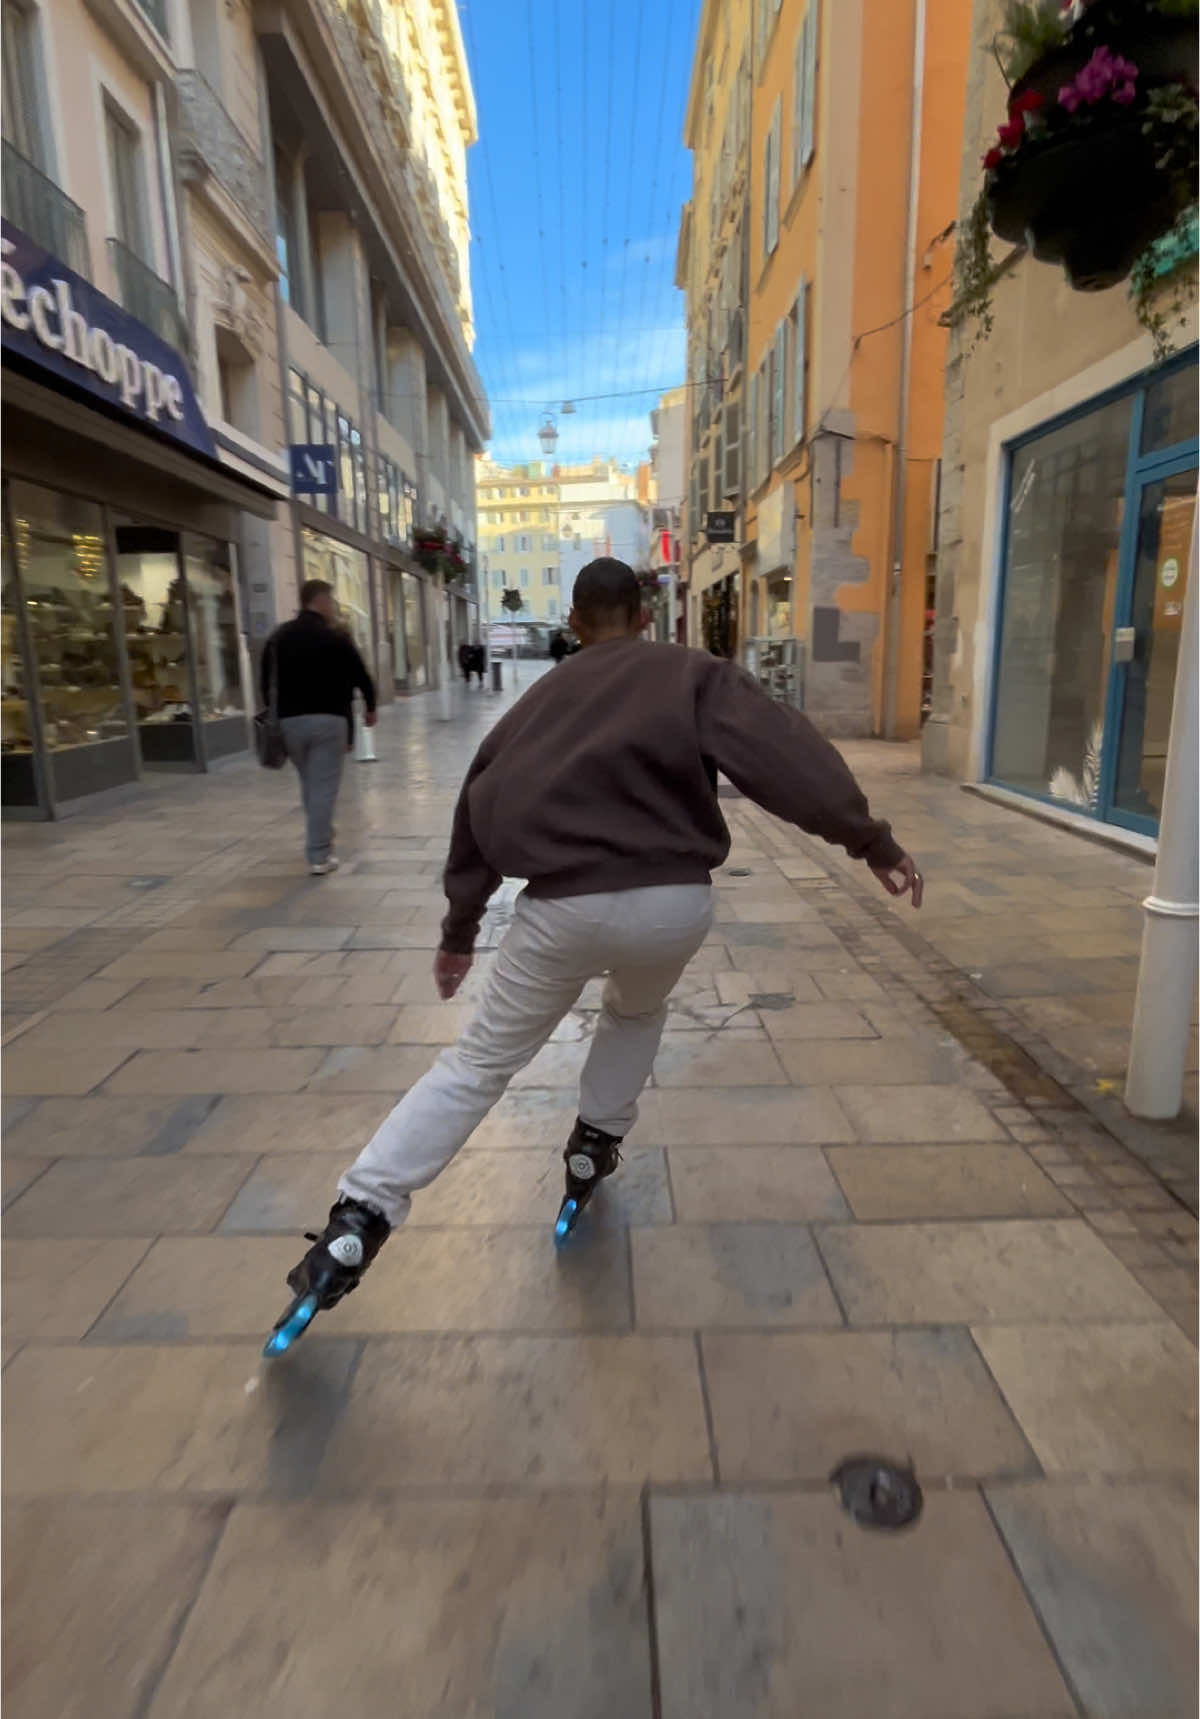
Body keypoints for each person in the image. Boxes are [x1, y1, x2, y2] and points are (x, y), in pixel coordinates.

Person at [272, 558, 922, 1332]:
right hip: (673, 902)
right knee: (636, 1013)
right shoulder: (694, 675)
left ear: (575, 623)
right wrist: (870, 841)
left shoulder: (534, 707)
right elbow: (787, 758)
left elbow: (477, 810)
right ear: (644, 615)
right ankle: (592, 1145)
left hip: (561, 908)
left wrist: (460, 931)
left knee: (479, 1064)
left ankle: (360, 1217)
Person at [261, 578, 376, 877]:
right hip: (329, 722)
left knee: (310, 784)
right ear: (321, 601)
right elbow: (360, 676)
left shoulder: (278, 638)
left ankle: (320, 837)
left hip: (290, 723)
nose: (334, 607)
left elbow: (266, 683)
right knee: (323, 787)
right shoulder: (336, 638)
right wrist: (370, 709)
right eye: (331, 601)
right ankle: (319, 854)